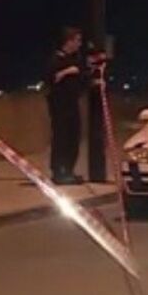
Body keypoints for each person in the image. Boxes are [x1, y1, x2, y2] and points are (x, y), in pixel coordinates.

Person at [47, 26, 86, 184]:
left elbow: (83, 77)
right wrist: (67, 71)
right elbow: (51, 78)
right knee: (61, 136)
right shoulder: (56, 59)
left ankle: (69, 170)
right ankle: (59, 171)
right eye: (77, 40)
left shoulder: (76, 60)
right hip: (60, 105)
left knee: (73, 137)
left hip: (72, 103)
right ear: (68, 41)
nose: (79, 44)